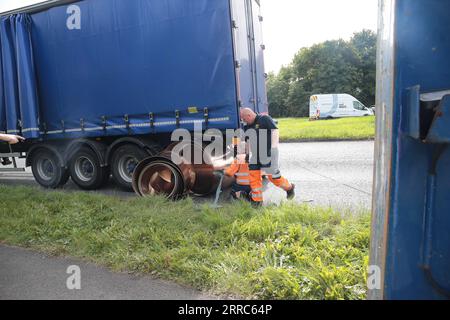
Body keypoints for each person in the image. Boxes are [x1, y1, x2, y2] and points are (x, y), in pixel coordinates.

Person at [240, 108, 295, 207]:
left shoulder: (264, 119)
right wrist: (247, 154)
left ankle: (289, 188)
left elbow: (275, 131)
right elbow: (248, 141)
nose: (244, 121)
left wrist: (274, 147)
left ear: (249, 115)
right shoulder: (247, 127)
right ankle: (257, 201)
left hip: (268, 153)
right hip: (255, 155)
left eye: (244, 119)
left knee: (273, 177)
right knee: (253, 176)